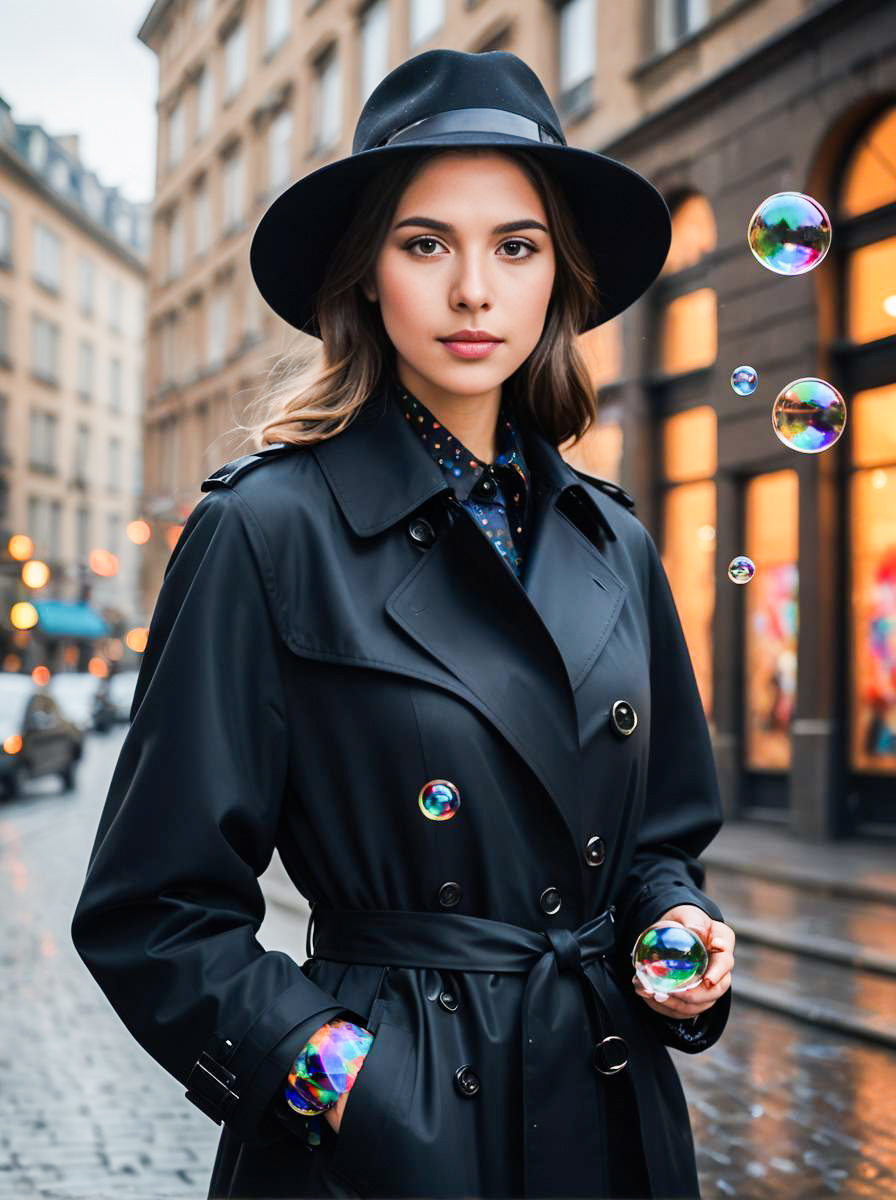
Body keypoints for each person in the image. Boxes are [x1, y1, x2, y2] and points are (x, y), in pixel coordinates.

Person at [71, 48, 736, 1200]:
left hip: (608, 1115)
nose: (473, 290)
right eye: (425, 243)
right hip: (383, 1141)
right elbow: (154, 909)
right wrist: (343, 1080)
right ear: (365, 275)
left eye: (514, 247)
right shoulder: (266, 528)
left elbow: (656, 842)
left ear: (556, 281)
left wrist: (674, 934)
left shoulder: (610, 541)